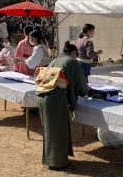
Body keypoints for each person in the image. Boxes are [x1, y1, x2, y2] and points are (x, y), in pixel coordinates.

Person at [37, 41, 89, 169]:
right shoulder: (72, 62)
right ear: (73, 53)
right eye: (76, 54)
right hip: (56, 99)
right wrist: (85, 91)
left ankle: (51, 160)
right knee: (59, 131)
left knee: (51, 132)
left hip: (43, 97)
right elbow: (81, 85)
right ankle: (57, 163)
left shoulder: (54, 61)